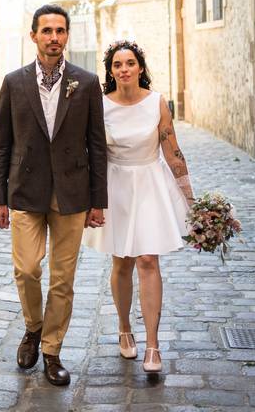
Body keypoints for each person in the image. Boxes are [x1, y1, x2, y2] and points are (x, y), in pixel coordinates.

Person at [0, 4, 108, 386]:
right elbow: (1, 145)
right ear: (34, 36)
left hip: (72, 194)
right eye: (47, 31)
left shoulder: (87, 83)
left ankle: (52, 350)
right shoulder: (14, 82)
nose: (54, 37)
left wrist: (98, 200)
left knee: (63, 278)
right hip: (26, 191)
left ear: (66, 36)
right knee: (26, 269)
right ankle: (33, 326)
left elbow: (97, 145)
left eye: (60, 31)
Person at [81, 40, 194, 374]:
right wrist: (91, 198)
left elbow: (172, 150)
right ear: (111, 71)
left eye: (130, 63)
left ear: (140, 68)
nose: (124, 69)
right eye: (117, 65)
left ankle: (153, 344)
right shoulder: (99, 105)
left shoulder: (157, 102)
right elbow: (92, 154)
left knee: (148, 259)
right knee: (122, 261)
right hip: (115, 187)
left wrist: (192, 198)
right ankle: (123, 327)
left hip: (149, 183)